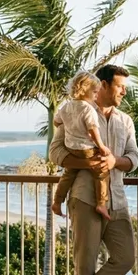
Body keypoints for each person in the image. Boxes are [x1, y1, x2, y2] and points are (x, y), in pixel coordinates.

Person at [49, 64, 138, 275]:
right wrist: (88, 163)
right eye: (120, 85)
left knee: (125, 258)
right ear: (102, 85)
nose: (124, 91)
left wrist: (115, 162)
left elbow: (134, 157)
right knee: (85, 264)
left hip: (117, 200)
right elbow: (56, 152)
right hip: (85, 198)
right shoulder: (75, 111)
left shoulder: (125, 121)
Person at [51, 71, 112, 220]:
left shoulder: (67, 107)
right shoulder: (88, 109)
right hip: (86, 148)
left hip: (72, 148)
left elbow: (56, 121)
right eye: (95, 92)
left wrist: (69, 125)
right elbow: (92, 130)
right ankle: (101, 203)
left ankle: (57, 201)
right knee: (101, 172)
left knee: (68, 175)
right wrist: (102, 146)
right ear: (85, 89)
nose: (97, 95)